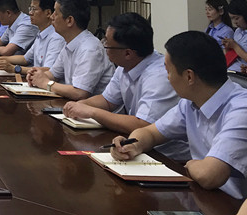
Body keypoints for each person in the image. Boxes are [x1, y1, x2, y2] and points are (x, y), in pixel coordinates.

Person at [110, 31, 247, 199]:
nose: (167, 78)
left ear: (189, 76)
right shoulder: (191, 103)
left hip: (242, 209)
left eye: (168, 71)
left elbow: (209, 176)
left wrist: (190, 164)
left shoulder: (246, 111)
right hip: (207, 198)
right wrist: (132, 146)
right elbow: (150, 132)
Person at [61, 12, 187, 160]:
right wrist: (81, 105)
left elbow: (142, 124)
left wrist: (92, 112)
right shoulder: (126, 64)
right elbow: (107, 100)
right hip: (138, 148)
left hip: (168, 158)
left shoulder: (159, 76)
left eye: (107, 44)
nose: (104, 46)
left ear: (128, 53)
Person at [27, 0, 114, 100]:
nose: (52, 17)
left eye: (56, 13)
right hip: (74, 106)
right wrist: (37, 75)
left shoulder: (90, 49)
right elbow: (53, 74)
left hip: (94, 109)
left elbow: (79, 92)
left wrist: (46, 83)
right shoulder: (69, 43)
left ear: (69, 20)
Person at [0, 0, 65, 74]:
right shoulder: (41, 33)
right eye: (30, 9)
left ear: (48, 13)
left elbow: (49, 70)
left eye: (34, 9)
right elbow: (25, 59)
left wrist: (15, 68)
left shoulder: (56, 38)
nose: (30, 13)